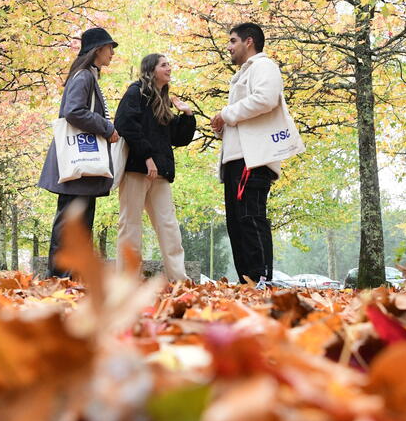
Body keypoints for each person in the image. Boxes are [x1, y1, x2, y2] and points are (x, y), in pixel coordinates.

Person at [38, 27, 120, 278]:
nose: (112, 54)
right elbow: (74, 111)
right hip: (79, 161)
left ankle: (69, 276)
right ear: (97, 50)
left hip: (81, 162)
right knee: (72, 223)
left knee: (79, 222)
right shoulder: (84, 76)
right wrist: (107, 128)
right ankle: (60, 277)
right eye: (109, 48)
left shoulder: (87, 75)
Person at [210, 23, 284, 284]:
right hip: (236, 159)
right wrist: (223, 125)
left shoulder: (264, 67)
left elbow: (266, 99)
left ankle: (260, 278)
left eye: (232, 41)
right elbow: (246, 114)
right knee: (236, 223)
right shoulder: (244, 74)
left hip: (252, 159)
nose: (229, 47)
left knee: (250, 218)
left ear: (248, 42)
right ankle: (247, 282)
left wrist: (226, 114)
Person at [114, 54, 195, 282]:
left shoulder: (164, 99)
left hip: (160, 173)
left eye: (169, 63)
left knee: (168, 226)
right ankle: (128, 281)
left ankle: (179, 279)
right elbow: (124, 124)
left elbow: (177, 138)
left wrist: (187, 114)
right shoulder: (135, 92)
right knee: (130, 225)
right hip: (137, 170)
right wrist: (146, 156)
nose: (169, 68)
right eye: (164, 65)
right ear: (151, 70)